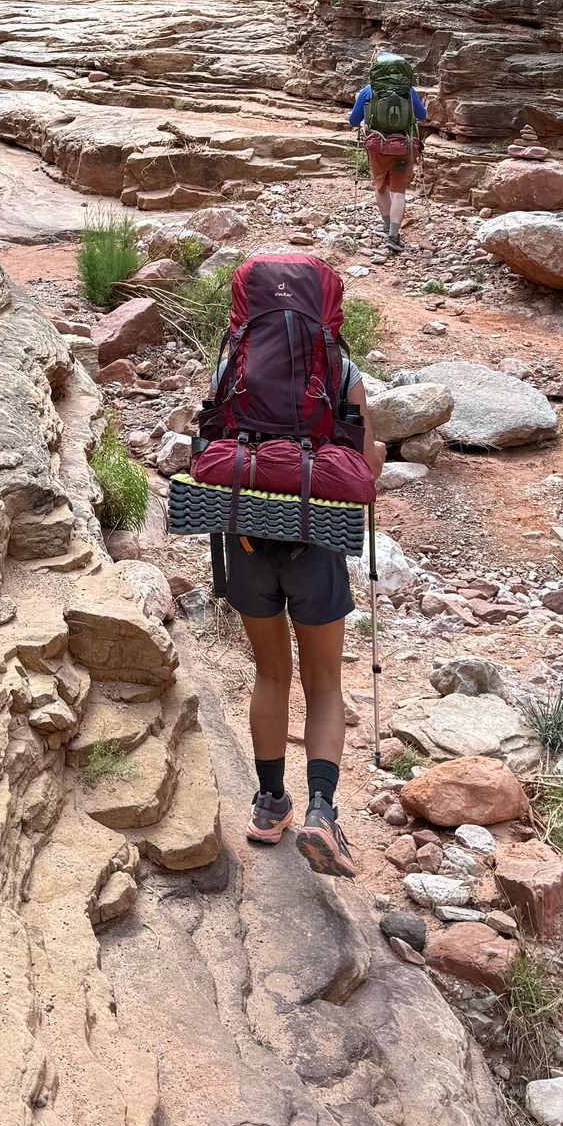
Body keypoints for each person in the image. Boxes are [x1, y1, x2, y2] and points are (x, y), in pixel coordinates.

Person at [212, 348, 384, 879]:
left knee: (270, 672)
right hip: (316, 537)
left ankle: (269, 804)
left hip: (244, 538)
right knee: (324, 683)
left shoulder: (235, 361)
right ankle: (321, 811)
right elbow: (368, 462)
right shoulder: (339, 368)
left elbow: (213, 438)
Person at [348, 44, 427, 257]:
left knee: (381, 185)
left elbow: (353, 120)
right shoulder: (408, 91)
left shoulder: (368, 90)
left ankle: (385, 227)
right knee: (398, 191)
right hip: (404, 148)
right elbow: (421, 116)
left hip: (378, 147)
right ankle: (394, 235)